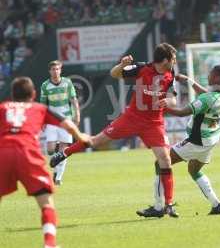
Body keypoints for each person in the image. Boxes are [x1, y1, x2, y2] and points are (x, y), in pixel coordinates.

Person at [50, 43, 179, 217]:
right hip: (131, 118)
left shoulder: (171, 75)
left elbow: (173, 100)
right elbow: (114, 74)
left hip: (154, 123)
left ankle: (168, 205)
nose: (175, 61)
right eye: (173, 58)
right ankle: (65, 153)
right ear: (165, 60)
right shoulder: (142, 68)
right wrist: (122, 65)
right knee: (96, 141)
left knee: (165, 159)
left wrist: (168, 102)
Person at [0, 77, 91, 248]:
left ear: (12, 95)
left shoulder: (3, 107)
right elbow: (68, 125)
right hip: (27, 153)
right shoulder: (39, 108)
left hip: (2, 153)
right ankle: (49, 244)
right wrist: (82, 138)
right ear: (33, 94)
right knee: (46, 203)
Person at [137, 66, 220, 218]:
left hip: (196, 141)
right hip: (210, 140)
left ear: (217, 78)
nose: (208, 75)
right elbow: (207, 96)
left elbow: (181, 112)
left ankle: (158, 207)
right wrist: (189, 81)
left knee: (159, 163)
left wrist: (163, 105)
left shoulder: (206, 99)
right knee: (194, 170)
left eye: (211, 74)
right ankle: (216, 204)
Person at [40, 60, 80, 185]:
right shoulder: (45, 85)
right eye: (53, 69)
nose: (55, 71)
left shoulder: (67, 83)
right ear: (49, 71)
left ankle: (58, 177)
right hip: (52, 120)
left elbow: (74, 100)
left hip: (66, 120)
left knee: (64, 149)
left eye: (57, 69)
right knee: (51, 150)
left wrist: (77, 115)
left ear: (60, 70)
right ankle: (56, 160)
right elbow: (43, 104)